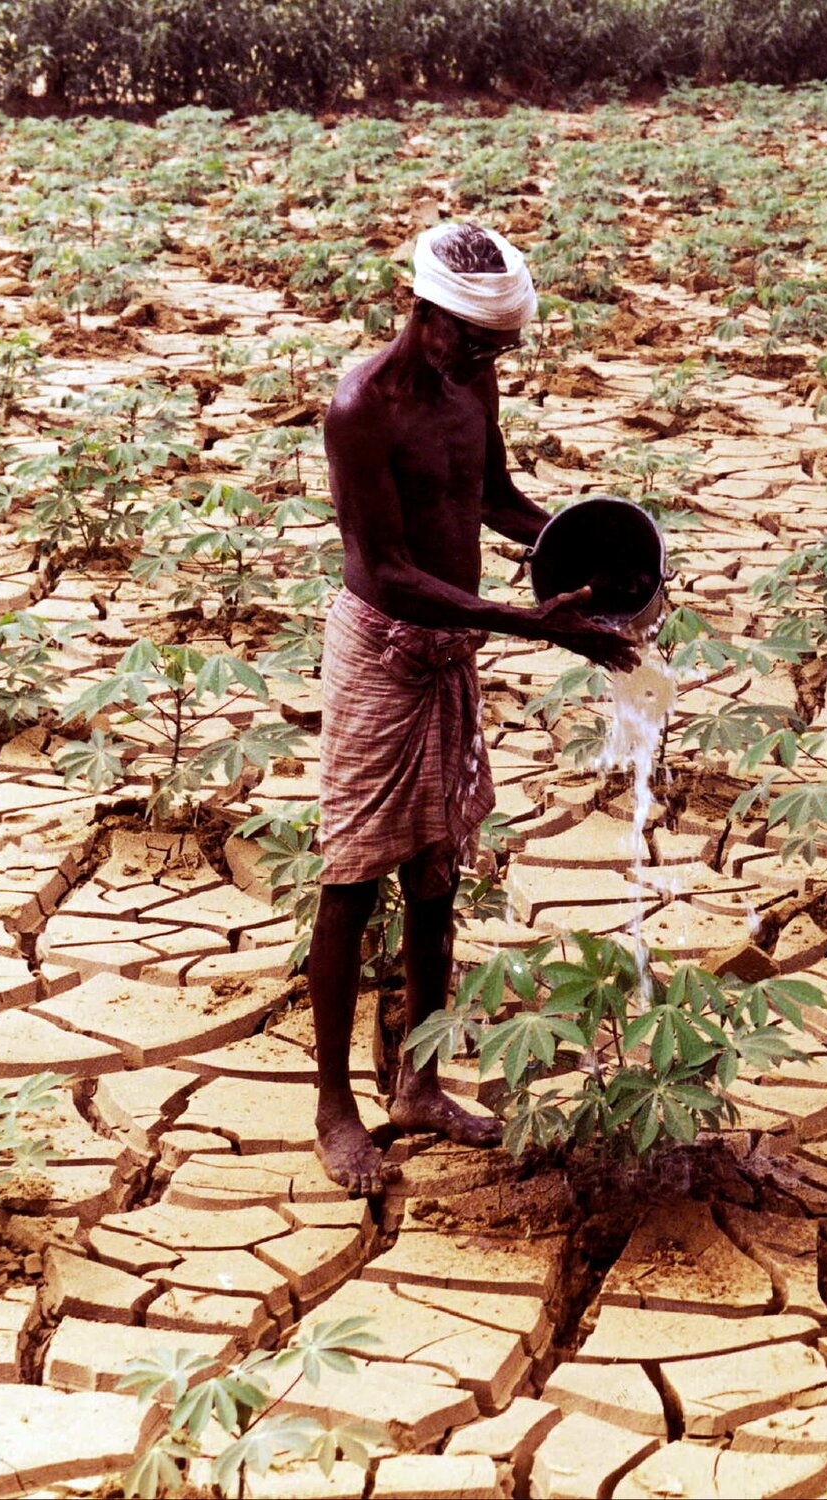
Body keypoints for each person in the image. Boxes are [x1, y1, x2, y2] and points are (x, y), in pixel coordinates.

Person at [311, 221, 639, 1193]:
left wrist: (590, 545)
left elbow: (490, 494)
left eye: (499, 349)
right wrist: (534, 625)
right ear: (426, 314)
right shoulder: (360, 407)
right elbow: (388, 572)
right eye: (474, 341)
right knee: (352, 880)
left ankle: (418, 1082)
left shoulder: (470, 383)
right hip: (384, 652)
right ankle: (335, 1106)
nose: (485, 361)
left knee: (437, 875)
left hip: (454, 647)